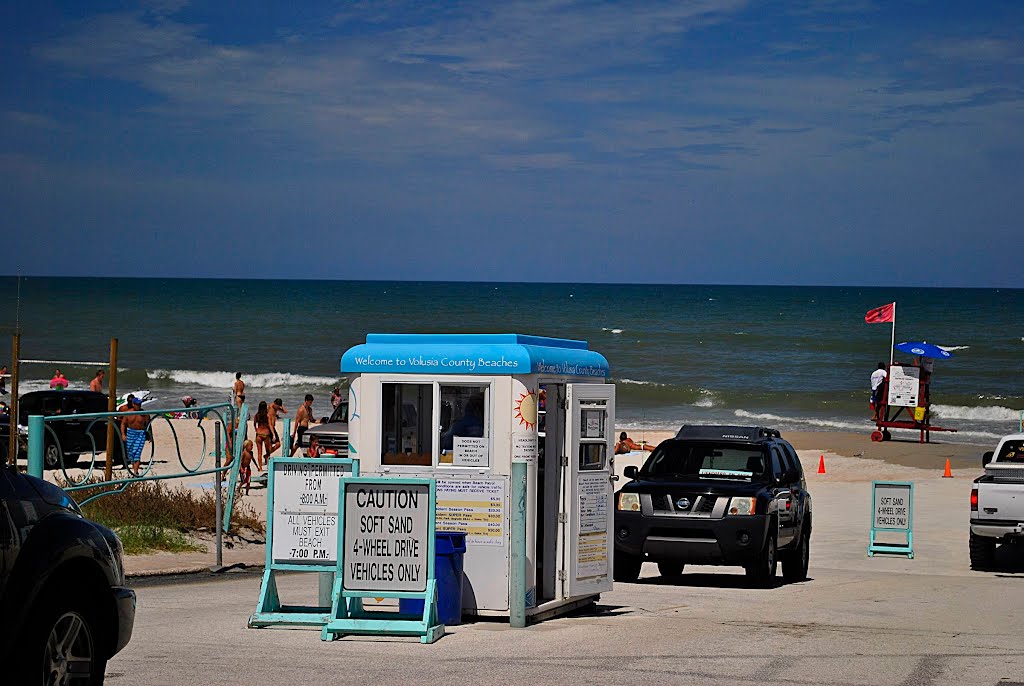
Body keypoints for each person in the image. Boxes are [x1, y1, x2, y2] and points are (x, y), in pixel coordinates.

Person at [121, 397, 148, 476]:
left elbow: (148, 425)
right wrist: (123, 434)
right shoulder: (128, 413)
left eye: (139, 404)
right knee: (131, 454)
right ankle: (134, 470)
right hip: (130, 433)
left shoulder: (144, 414)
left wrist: (149, 436)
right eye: (137, 404)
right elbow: (123, 424)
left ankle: (136, 472)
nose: (138, 406)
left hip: (140, 434)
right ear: (133, 404)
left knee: (137, 454)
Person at [253, 401, 281, 469]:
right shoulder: (267, 415)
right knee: (268, 451)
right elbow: (270, 425)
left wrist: (256, 430)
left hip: (259, 434)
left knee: (259, 453)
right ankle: (268, 466)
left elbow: (254, 424)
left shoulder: (257, 415)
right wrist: (273, 434)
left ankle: (260, 468)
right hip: (266, 435)